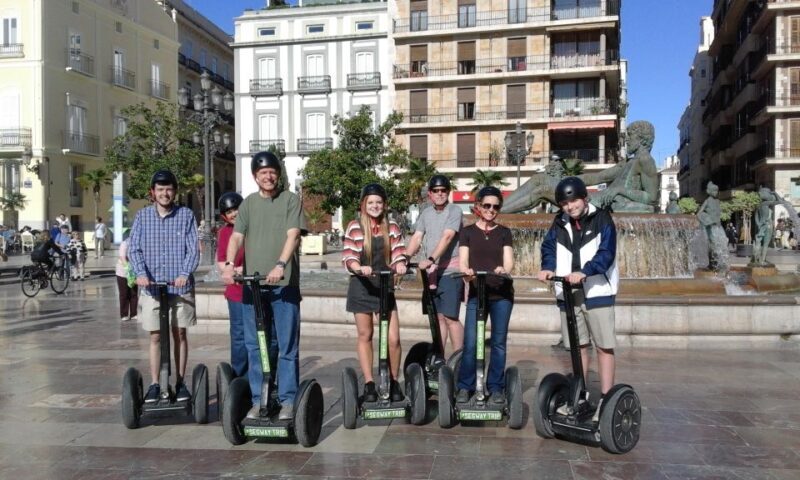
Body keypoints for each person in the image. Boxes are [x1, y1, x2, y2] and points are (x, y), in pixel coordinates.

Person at [221, 151, 303, 420]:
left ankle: (288, 400)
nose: (268, 176)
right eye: (262, 172)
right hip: (253, 287)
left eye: (272, 172)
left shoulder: (290, 200)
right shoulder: (248, 205)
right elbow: (236, 237)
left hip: (284, 285)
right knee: (256, 345)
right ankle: (259, 399)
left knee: (287, 346)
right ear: (255, 176)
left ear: (277, 174)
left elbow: (293, 235)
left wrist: (280, 264)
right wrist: (230, 264)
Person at [536, 177, 619, 422]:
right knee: (578, 345)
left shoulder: (602, 218)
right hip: (567, 290)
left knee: (604, 346)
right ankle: (580, 396)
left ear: (584, 198)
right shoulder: (559, 222)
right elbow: (548, 247)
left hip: (597, 290)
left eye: (573, 201)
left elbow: (607, 252)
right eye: (564, 203)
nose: (570, 207)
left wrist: (586, 271)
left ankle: (606, 398)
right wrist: (547, 267)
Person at [129, 169, 199, 404]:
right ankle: (155, 383)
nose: (164, 193)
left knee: (180, 333)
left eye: (168, 189)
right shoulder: (142, 217)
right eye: (160, 189)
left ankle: (180, 382)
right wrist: (140, 273)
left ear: (174, 191)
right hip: (152, 287)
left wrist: (183, 273)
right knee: (156, 336)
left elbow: (192, 249)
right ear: (153, 192)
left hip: (179, 286)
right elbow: (134, 248)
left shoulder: (186, 215)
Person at [342, 183, 408, 403]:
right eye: (370, 202)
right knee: (366, 335)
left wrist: (400, 264)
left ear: (384, 205)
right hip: (361, 286)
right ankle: (370, 383)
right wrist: (357, 267)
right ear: (363, 205)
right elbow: (349, 255)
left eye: (379, 202)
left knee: (393, 338)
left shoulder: (392, 227)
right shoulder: (355, 227)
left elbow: (399, 252)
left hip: (384, 287)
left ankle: (393, 379)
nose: (375, 206)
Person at [455, 186, 515, 405]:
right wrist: (467, 274)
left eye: (496, 206)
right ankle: (465, 385)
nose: (491, 210)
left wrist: (503, 269)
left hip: (502, 295)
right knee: (471, 342)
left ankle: (496, 387)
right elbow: (463, 262)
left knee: (498, 343)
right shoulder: (468, 232)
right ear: (478, 206)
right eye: (487, 205)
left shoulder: (504, 232)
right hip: (477, 294)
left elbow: (509, 261)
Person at [404, 174, 464, 352]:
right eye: (436, 191)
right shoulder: (426, 213)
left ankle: (459, 360)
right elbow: (417, 237)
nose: (440, 194)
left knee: (450, 317)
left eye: (443, 190)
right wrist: (405, 257)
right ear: (430, 193)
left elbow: (448, 237)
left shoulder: (455, 211)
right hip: (431, 273)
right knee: (438, 317)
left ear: (448, 192)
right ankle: (440, 357)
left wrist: (431, 259)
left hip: (450, 271)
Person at [215, 192, 254, 385]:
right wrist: (234, 271)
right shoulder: (224, 233)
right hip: (236, 292)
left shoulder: (253, 227)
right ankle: (239, 377)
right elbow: (222, 262)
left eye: (235, 209)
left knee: (258, 334)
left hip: (255, 288)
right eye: (228, 212)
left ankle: (259, 376)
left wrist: (244, 270)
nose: (233, 214)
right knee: (239, 335)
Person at [116, 232, 138, 322]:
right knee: (124, 294)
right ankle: (124, 314)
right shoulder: (125, 243)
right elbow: (122, 257)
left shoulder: (138, 243)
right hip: (123, 272)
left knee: (133, 293)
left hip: (134, 272)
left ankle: (134, 314)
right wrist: (129, 270)